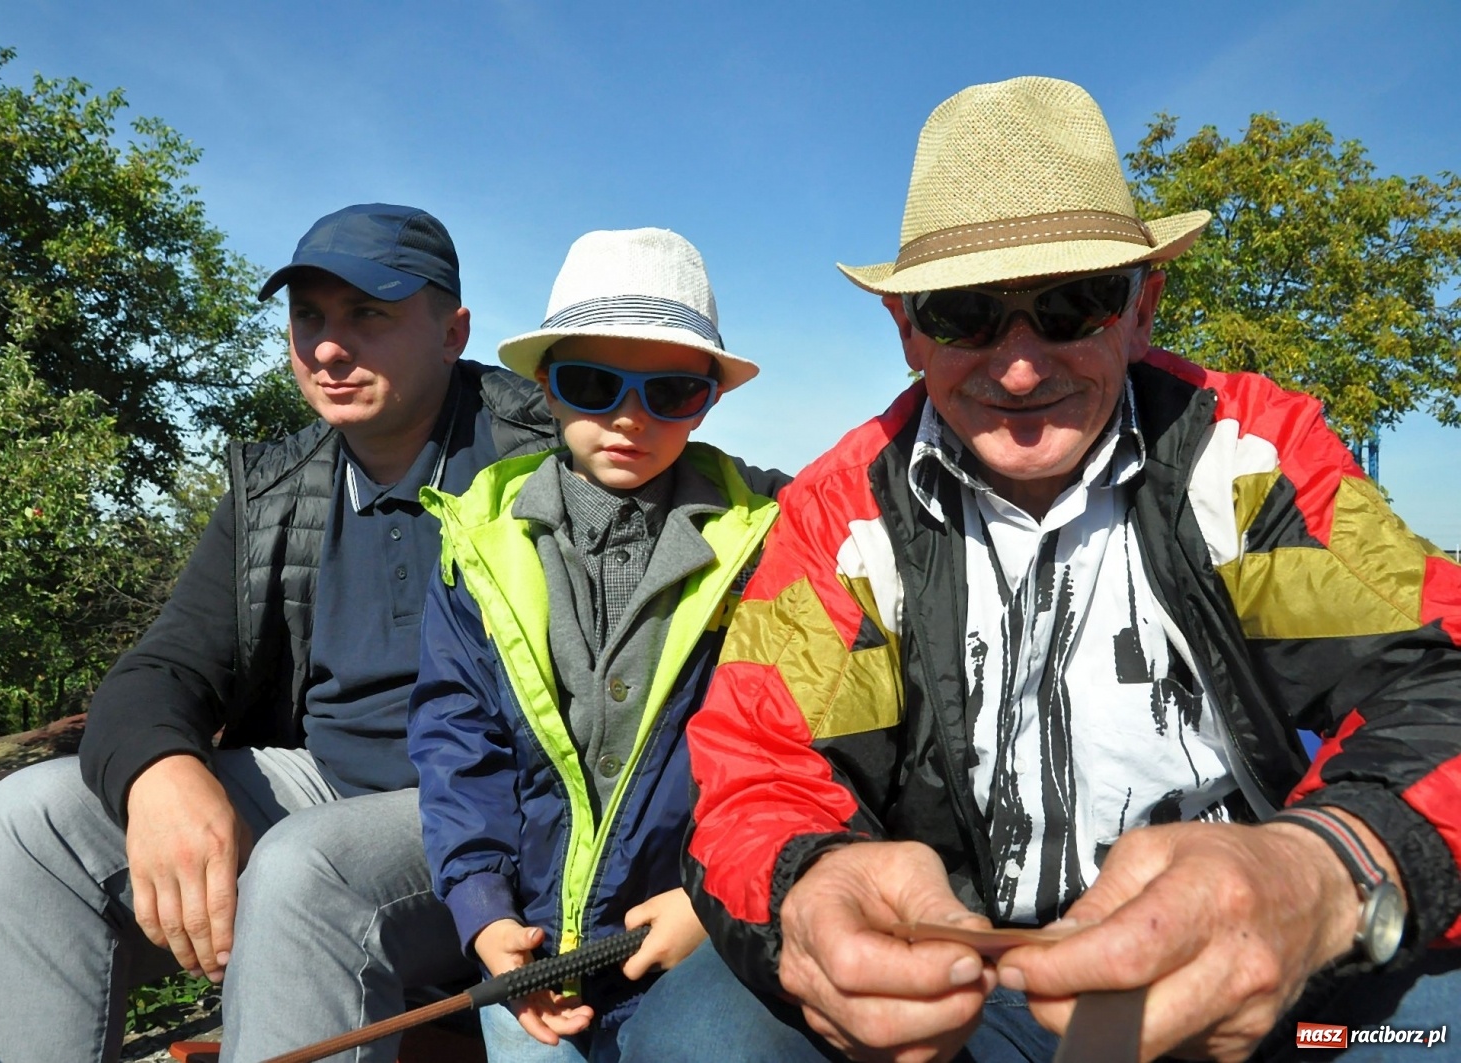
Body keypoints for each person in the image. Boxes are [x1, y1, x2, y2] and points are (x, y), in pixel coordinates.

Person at [620, 78, 1461, 1063]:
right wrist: (808, 893)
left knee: (1430, 1034)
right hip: (962, 981)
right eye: (964, 313)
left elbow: (1433, 680)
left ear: (1141, 308)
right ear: (906, 331)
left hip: (1265, 977)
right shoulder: (835, 513)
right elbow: (763, 760)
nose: (1018, 366)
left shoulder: (1250, 457)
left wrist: (1323, 869)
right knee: (697, 1040)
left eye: (1070, 304)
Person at [0, 203, 562, 1063]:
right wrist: (162, 769)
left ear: (453, 330)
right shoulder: (277, 490)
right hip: (325, 786)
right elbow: (164, 664)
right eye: (308, 316)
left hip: (504, 807)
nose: (328, 347)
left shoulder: (552, 452)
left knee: (308, 868)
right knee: (32, 816)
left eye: (367, 315)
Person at [408, 228, 785, 1062]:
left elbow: (790, 749)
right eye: (592, 382)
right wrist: (483, 912)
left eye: (673, 391)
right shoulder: (479, 542)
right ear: (546, 386)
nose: (628, 416)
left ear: (711, 398)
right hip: (530, 945)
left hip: (704, 934)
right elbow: (456, 741)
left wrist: (717, 896)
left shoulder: (768, 545)